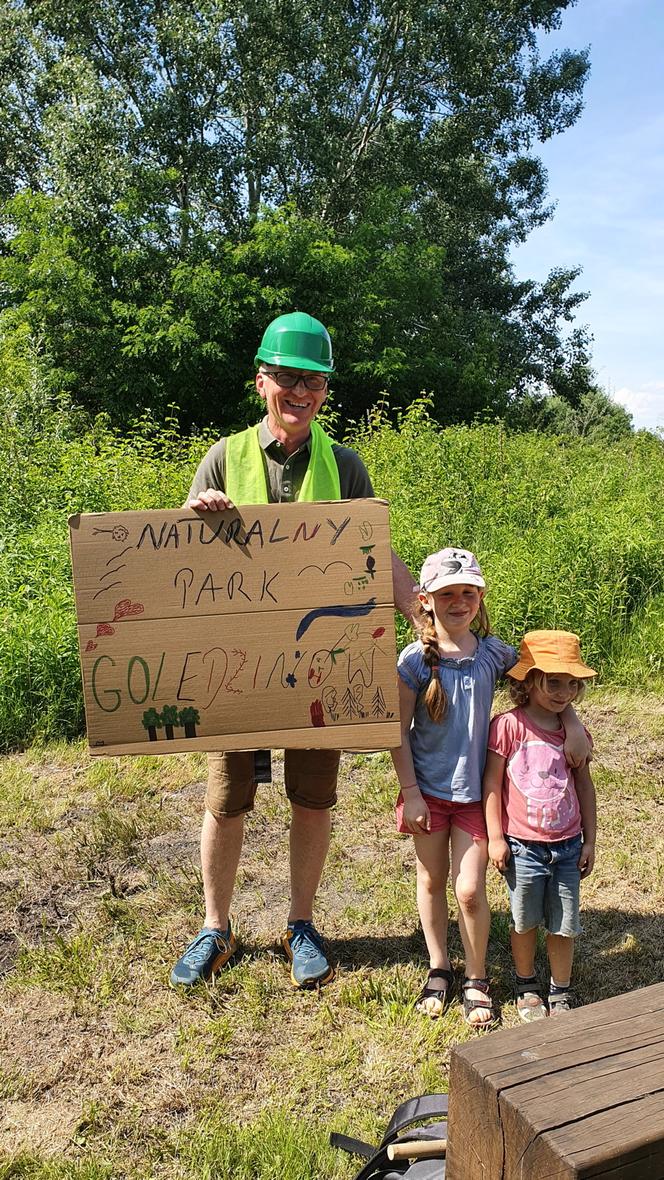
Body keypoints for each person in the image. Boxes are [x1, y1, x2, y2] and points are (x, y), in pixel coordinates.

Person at [169, 311, 416, 991]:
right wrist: (200, 515)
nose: (298, 390)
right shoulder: (223, 456)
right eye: (285, 377)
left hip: (320, 670)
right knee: (227, 799)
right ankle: (215, 927)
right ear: (261, 382)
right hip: (236, 672)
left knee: (313, 798)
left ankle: (300, 924)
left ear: (326, 389)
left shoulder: (346, 464)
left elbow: (374, 554)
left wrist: (424, 610)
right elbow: (182, 564)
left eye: (311, 379)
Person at [391, 549, 590, 1028]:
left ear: (480, 598)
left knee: (470, 890)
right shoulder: (415, 661)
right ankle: (440, 967)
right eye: (447, 594)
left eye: (468, 593)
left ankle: (476, 977)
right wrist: (411, 791)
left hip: (477, 799)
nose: (459, 602)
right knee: (431, 881)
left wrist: (572, 717)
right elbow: (396, 731)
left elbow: (543, 683)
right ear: (425, 600)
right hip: (429, 793)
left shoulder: (493, 653)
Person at [482, 630, 597, 1022]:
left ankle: (560, 991)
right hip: (523, 847)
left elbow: (585, 786)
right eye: (552, 681)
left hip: (567, 845)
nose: (563, 692)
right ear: (527, 681)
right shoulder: (507, 727)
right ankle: (526, 984)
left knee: (564, 925)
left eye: (572, 684)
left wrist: (590, 841)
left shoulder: (575, 735)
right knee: (524, 919)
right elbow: (491, 785)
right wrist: (496, 837)